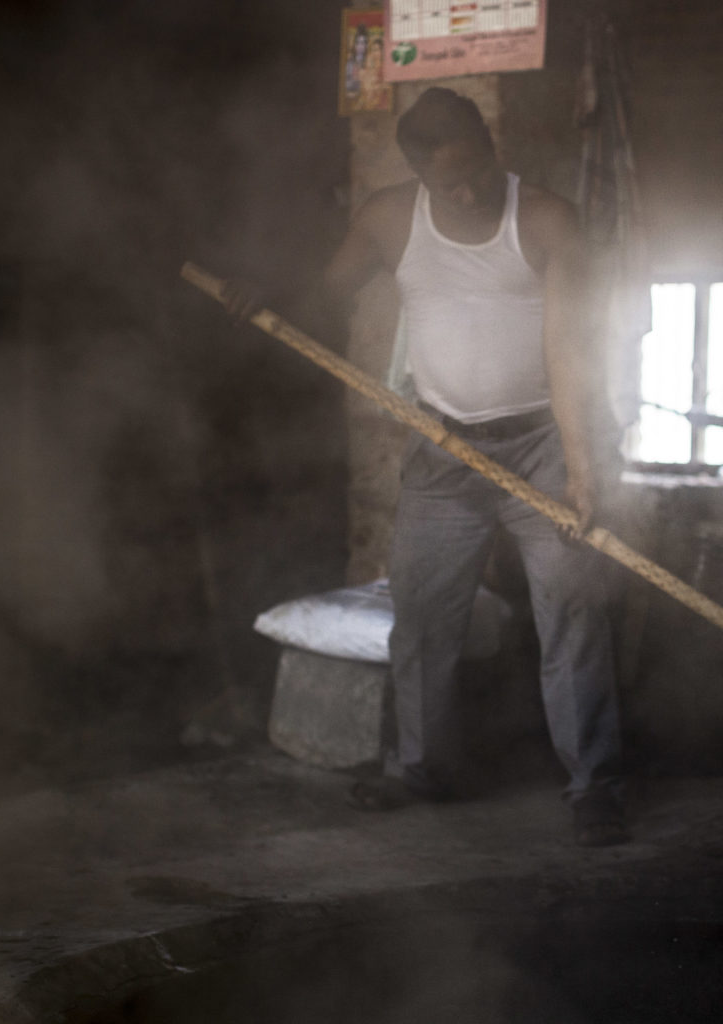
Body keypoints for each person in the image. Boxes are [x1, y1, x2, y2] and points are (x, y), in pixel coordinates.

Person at [232, 88, 628, 846]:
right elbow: (327, 293)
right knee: (421, 614)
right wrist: (267, 299)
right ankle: (423, 770)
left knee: (572, 606)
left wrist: (581, 471)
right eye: (450, 182)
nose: (470, 191)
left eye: (478, 169)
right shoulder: (388, 218)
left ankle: (595, 787)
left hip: (542, 441)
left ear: (489, 145)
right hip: (443, 446)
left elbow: (570, 351)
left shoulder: (544, 219)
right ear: (418, 174)